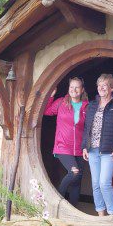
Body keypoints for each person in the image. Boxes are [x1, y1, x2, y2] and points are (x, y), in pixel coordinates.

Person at [82, 74, 113, 216]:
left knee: (104, 183)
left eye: (104, 85)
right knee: (96, 184)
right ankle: (101, 217)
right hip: (92, 150)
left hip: (109, 151)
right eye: (99, 85)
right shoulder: (92, 105)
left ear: (111, 88)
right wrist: (85, 146)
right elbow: (87, 128)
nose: (101, 88)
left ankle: (112, 215)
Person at [43, 77, 88, 206]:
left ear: (82, 89)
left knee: (77, 180)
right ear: (68, 89)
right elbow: (46, 111)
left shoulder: (86, 106)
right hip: (63, 146)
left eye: (77, 87)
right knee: (74, 172)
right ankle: (56, 201)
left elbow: (88, 127)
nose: (74, 90)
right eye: (71, 87)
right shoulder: (61, 102)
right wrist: (51, 96)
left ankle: (73, 208)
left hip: (80, 148)